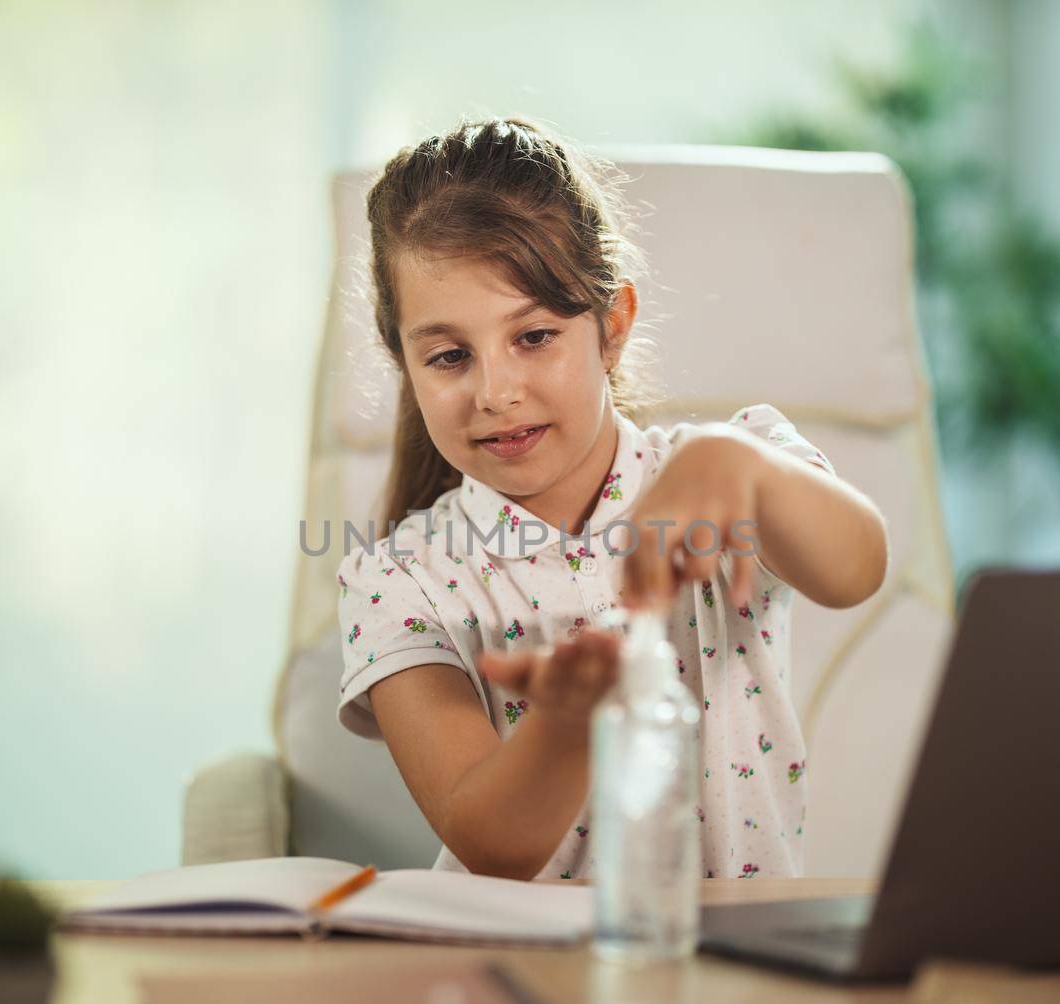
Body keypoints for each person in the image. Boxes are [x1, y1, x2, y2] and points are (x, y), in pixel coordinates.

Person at [335, 116, 888, 882]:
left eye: (534, 337)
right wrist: (565, 719)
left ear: (613, 325)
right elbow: (490, 841)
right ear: (406, 366)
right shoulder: (398, 577)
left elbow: (858, 566)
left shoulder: (731, 472)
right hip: (518, 972)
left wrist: (747, 469)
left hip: (743, 960)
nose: (496, 393)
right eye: (450, 357)